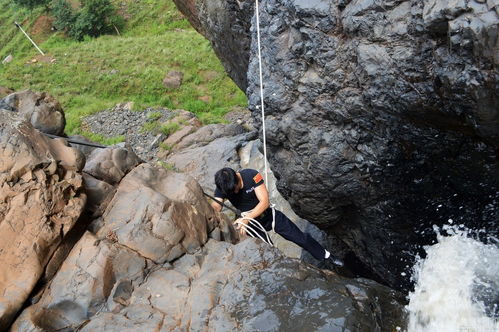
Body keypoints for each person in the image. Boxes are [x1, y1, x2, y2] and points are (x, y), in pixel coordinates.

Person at [211, 167, 343, 266]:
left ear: (237, 178)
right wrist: (211, 209)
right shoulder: (224, 186)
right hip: (251, 225)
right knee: (265, 251)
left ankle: (326, 256)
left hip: (268, 215)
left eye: (235, 188)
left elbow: (264, 202)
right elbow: (217, 206)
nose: (234, 192)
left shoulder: (251, 175)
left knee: (300, 238)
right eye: (230, 191)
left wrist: (246, 218)